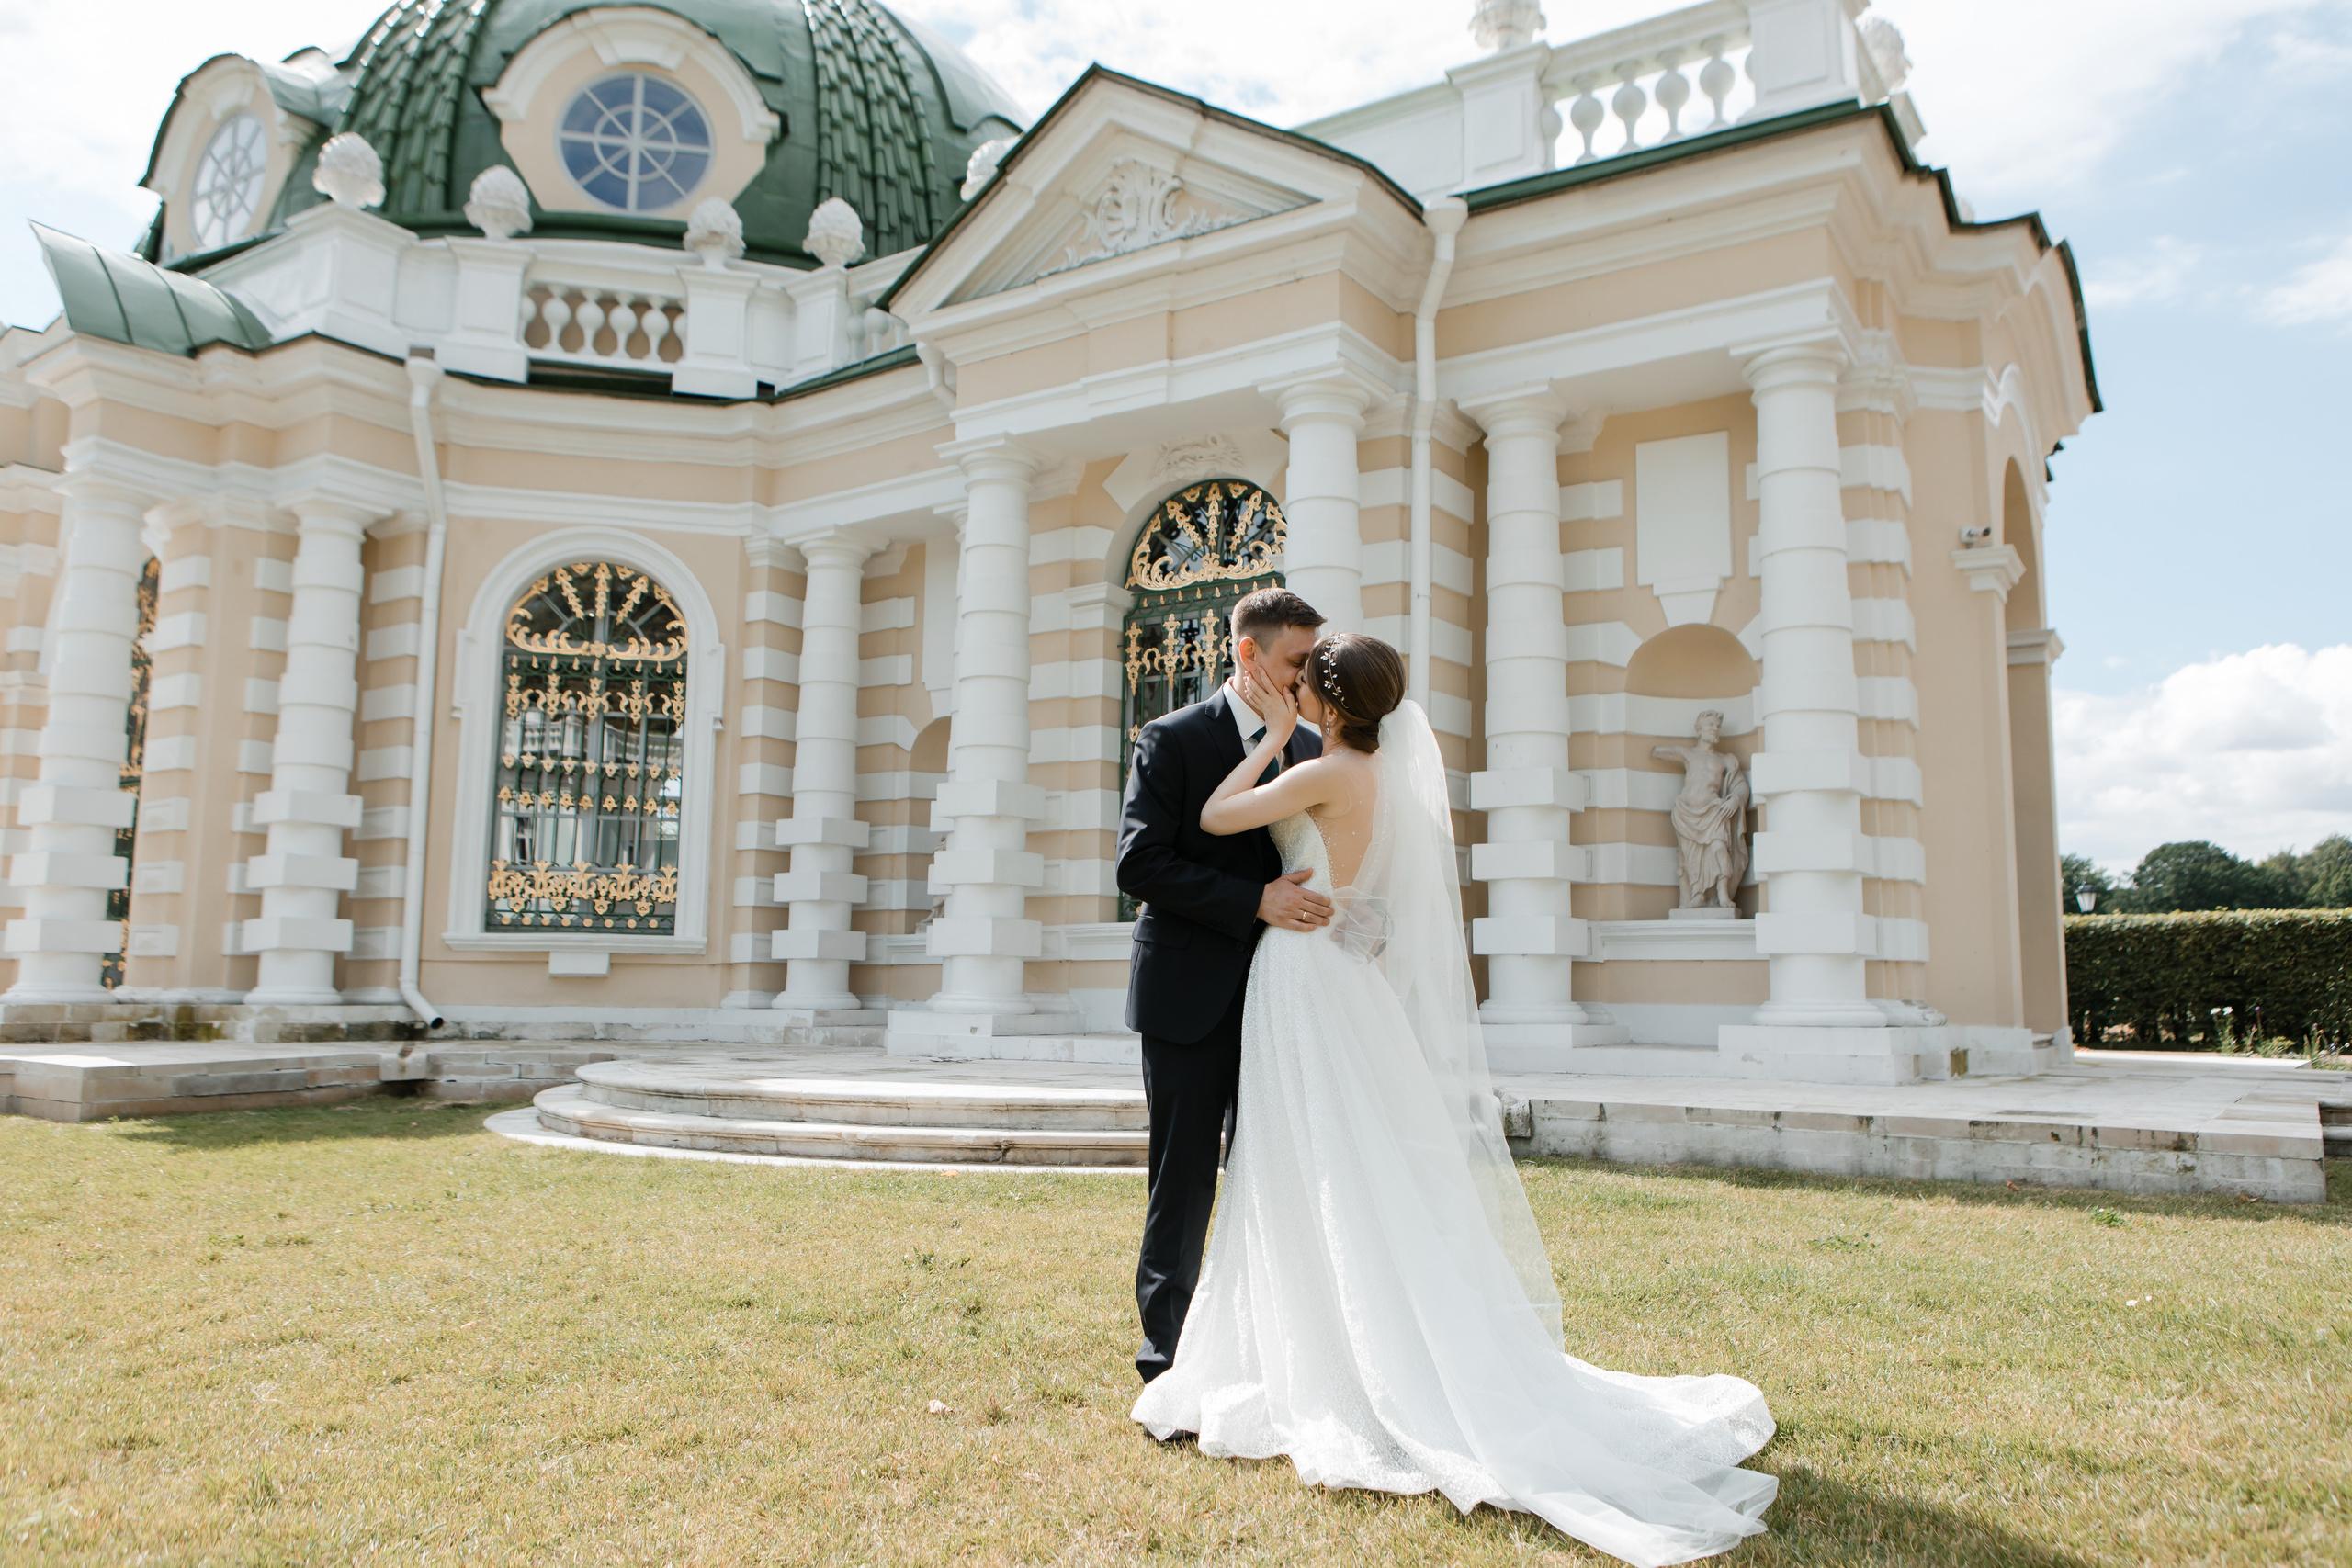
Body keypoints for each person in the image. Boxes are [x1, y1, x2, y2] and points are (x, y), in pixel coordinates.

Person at [1130, 631, 1780, 1568]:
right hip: (1337, 971)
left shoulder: (1318, 770)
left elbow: (1223, 814)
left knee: (1304, 1159)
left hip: (1304, 974)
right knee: (1345, 1160)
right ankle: (1329, 1338)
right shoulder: (1387, 776)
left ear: (1324, 700)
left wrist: (1270, 740)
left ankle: (1339, 1359)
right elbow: (1374, 892)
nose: (1293, 695)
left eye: (1304, 687)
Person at [1114, 586, 1329, 1387]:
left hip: (1291, 995)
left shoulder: (1313, 749)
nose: (1309, 677)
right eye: (1297, 661)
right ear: (1249, 655)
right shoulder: (1170, 738)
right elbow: (1139, 864)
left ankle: (1268, 1346)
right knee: (1185, 1177)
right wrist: (1254, 900)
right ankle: (1167, 1359)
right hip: (1187, 993)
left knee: (1276, 1167)